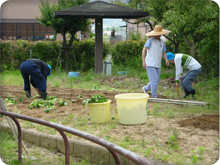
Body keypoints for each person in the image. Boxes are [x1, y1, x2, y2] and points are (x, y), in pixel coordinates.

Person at [142, 25, 171, 98]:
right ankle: (154, 96)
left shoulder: (162, 42)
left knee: (157, 80)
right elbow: (144, 50)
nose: (159, 34)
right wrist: (143, 61)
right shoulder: (150, 40)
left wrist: (166, 60)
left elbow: (163, 52)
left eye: (160, 33)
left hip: (158, 63)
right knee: (154, 80)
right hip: (150, 63)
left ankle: (146, 88)